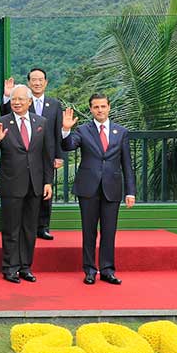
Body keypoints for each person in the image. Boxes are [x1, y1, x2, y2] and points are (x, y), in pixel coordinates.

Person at [61, 94, 136, 285]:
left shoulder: (121, 132)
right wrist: (65, 130)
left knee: (109, 231)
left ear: (109, 107)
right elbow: (68, 145)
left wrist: (130, 191)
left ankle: (107, 270)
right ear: (91, 109)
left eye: (103, 106)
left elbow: (127, 164)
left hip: (112, 187)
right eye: (96, 107)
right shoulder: (82, 130)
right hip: (88, 188)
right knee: (89, 231)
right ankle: (89, 270)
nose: (100, 110)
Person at [0, 84, 53, 283]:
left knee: (29, 228)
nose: (16, 103)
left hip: (35, 184)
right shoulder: (2, 122)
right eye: (14, 99)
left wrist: (48, 182)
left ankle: (25, 267)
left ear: (29, 102)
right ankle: (9, 268)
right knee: (11, 228)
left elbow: (46, 155)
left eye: (21, 99)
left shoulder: (41, 122)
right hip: (11, 185)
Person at [1, 68, 63, 240]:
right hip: (28, 154)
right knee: (31, 190)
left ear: (46, 82)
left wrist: (59, 155)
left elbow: (58, 131)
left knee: (45, 189)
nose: (37, 82)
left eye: (40, 79)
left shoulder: (55, 104)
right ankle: (27, 225)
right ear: (29, 82)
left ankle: (43, 226)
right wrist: (7, 96)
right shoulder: (20, 101)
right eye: (33, 79)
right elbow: (6, 116)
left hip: (47, 154)